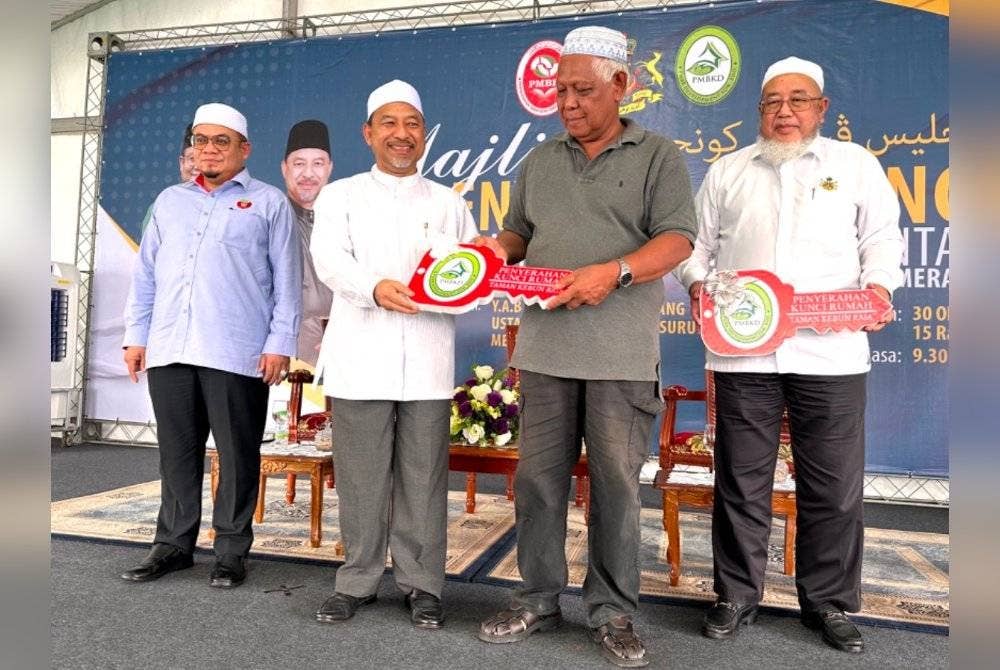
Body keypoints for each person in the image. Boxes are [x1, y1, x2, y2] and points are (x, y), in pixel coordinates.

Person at [476, 26, 696, 668]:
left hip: (620, 355)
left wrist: (615, 272)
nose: (567, 102)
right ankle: (537, 598)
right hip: (543, 352)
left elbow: (678, 240)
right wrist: (494, 251)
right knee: (538, 484)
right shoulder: (542, 160)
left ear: (621, 86)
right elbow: (519, 232)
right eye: (559, 90)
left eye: (582, 90)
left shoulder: (657, 155)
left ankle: (613, 611)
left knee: (617, 488)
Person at [676, 56, 904, 654]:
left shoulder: (854, 166)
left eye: (798, 100)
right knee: (741, 479)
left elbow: (881, 238)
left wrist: (879, 286)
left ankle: (827, 602)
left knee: (833, 485)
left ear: (821, 109)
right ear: (759, 111)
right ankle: (735, 595)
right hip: (743, 353)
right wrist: (701, 285)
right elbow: (693, 248)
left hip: (831, 354)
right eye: (773, 101)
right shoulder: (727, 170)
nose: (784, 111)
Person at [309, 80, 477, 630]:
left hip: (428, 361)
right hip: (361, 358)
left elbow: (473, 269)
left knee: (425, 478)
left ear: (424, 134)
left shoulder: (449, 203)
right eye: (389, 123)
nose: (402, 135)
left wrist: (474, 280)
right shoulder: (341, 196)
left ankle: (423, 585)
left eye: (412, 124)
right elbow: (329, 260)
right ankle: (356, 581)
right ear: (368, 132)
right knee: (359, 478)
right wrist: (374, 287)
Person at [120, 102, 302, 589]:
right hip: (169, 347)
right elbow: (146, 277)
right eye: (201, 140)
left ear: (244, 149)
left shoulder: (269, 203)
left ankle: (230, 550)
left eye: (221, 141)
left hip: (236, 350)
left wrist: (279, 342)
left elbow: (289, 281)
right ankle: (174, 545)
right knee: (177, 452)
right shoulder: (169, 201)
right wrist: (136, 337)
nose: (209, 150)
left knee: (238, 453)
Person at [281, 119, 335, 366]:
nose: (308, 174)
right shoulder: (269, 218)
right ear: (285, 168)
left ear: (330, 168)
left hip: (346, 350)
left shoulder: (349, 218)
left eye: (318, 164)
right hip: (282, 355)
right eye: (299, 164)